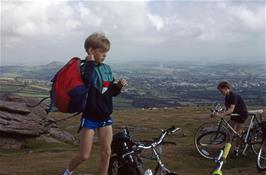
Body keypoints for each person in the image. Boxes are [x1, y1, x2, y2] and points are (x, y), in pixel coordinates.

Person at [62, 32, 128, 175]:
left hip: (105, 117)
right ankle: (67, 172)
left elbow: (110, 92)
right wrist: (90, 62)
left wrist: (118, 86)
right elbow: (89, 80)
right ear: (91, 51)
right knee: (84, 155)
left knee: (106, 153)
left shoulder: (107, 68)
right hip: (90, 118)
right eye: (102, 51)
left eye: (106, 52)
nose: (105, 55)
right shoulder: (85, 67)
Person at [215, 80, 248, 157]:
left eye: (221, 90)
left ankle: (236, 149)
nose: (221, 93)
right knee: (229, 131)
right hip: (234, 115)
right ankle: (227, 147)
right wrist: (221, 112)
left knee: (238, 132)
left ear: (226, 88)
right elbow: (228, 109)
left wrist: (223, 114)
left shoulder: (233, 95)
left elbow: (231, 109)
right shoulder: (227, 96)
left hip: (241, 114)